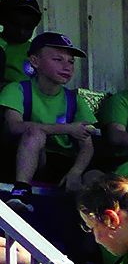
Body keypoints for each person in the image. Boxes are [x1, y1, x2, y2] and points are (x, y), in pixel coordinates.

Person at [3, 30, 96, 186]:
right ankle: (21, 189)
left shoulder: (74, 99)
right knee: (34, 134)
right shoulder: (18, 89)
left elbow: (87, 145)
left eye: (71, 62)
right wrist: (67, 129)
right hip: (31, 157)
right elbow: (14, 126)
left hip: (65, 162)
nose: (67, 67)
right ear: (35, 61)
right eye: (58, 59)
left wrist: (76, 172)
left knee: (97, 178)